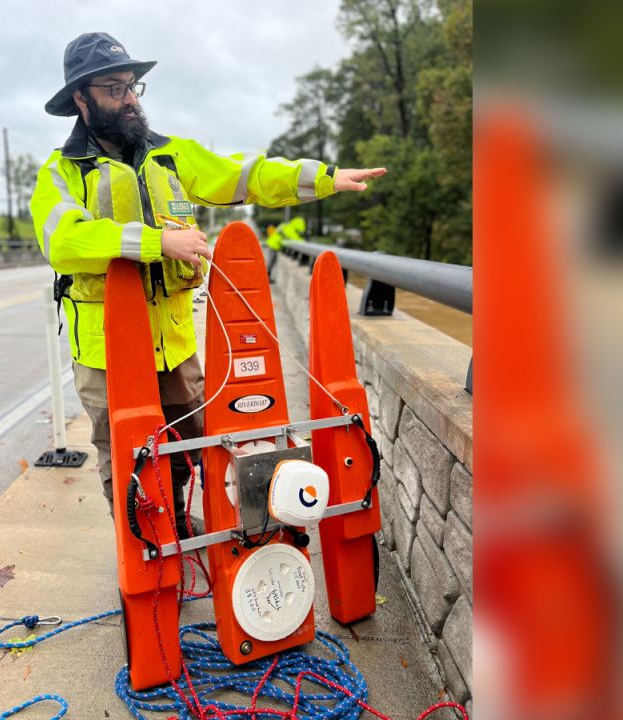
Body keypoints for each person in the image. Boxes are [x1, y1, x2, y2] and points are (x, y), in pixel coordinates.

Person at [29, 32, 386, 536]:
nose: (130, 98)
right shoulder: (61, 173)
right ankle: (146, 557)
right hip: (105, 352)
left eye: (133, 87)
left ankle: (185, 528)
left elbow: (248, 174)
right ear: (81, 100)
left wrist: (325, 176)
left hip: (174, 346)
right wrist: (156, 242)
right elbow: (64, 239)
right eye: (114, 89)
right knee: (128, 458)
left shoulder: (170, 156)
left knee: (196, 445)